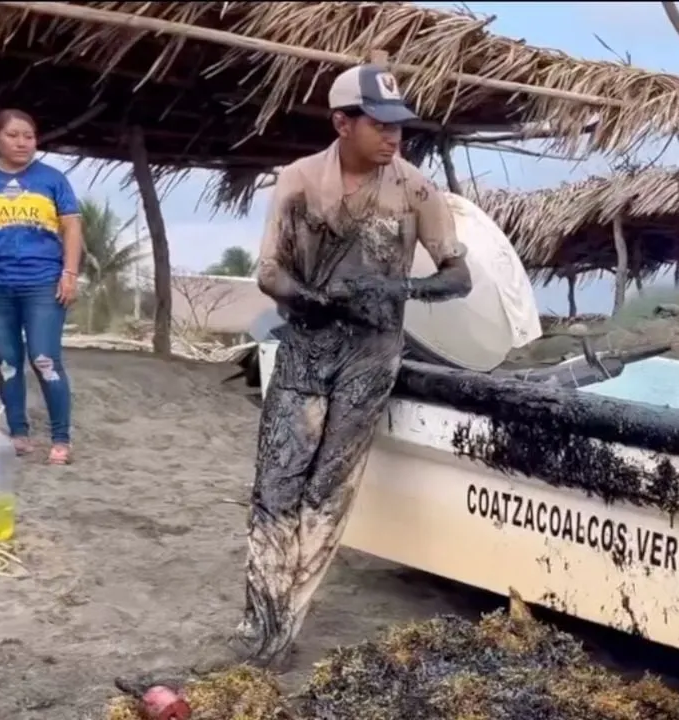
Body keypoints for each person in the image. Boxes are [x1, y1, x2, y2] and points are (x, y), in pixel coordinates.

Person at [238, 63, 472, 668]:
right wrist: (308, 298)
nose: (392, 137)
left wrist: (398, 291)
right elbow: (269, 271)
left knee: (328, 488)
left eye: (399, 126)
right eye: (378, 124)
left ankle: (287, 625)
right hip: (305, 348)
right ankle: (259, 620)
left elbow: (457, 275)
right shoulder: (298, 181)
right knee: (277, 482)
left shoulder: (417, 190)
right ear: (342, 123)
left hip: (371, 355)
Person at [0, 108, 82, 465]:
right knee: (7, 362)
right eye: (13, 135)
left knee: (44, 359)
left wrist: (69, 273)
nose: (22, 142)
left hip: (43, 284)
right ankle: (18, 434)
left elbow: (72, 228)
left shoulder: (52, 179)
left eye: (29, 136)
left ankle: (61, 439)